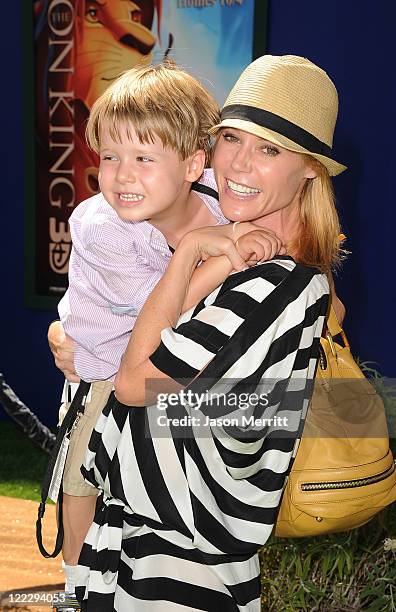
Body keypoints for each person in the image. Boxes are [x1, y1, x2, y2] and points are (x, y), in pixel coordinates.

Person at [72, 55, 347, 611]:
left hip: (180, 567)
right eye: (230, 139)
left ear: (311, 169)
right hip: (163, 547)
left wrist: (196, 258)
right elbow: (211, 406)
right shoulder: (274, 266)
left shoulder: (272, 284)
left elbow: (134, 385)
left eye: (269, 149)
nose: (239, 165)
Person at [49, 61, 281, 601]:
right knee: (81, 476)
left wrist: (227, 239)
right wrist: (214, 258)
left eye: (143, 158)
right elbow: (162, 316)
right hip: (104, 373)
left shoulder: (219, 204)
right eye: (109, 157)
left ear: (194, 164)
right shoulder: (102, 228)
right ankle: (77, 581)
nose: (122, 175)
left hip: (169, 381)